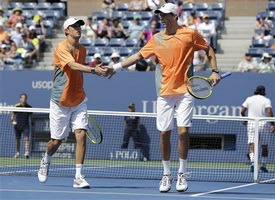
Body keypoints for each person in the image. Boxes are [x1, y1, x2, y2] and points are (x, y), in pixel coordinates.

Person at [104, 3, 220, 193]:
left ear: (175, 16)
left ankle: (182, 172)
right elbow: (138, 55)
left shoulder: (190, 34)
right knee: (164, 134)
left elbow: (208, 49)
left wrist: (215, 71)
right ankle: (167, 174)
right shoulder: (156, 39)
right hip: (165, 93)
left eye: (166, 15)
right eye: (160, 15)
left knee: (183, 132)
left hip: (185, 90)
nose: (162, 18)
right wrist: (115, 68)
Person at [37, 17, 108, 189]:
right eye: (74, 26)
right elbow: (72, 66)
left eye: (79, 26)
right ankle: (46, 159)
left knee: (81, 135)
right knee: (57, 141)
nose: (78, 29)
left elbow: (78, 68)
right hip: (60, 100)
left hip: (79, 99)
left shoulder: (82, 49)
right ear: (66, 31)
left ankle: (78, 176)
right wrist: (93, 70)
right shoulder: (61, 47)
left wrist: (95, 68)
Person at [241, 85, 275, 173]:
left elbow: (242, 111)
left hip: (252, 123)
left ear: (256, 91)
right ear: (264, 92)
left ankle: (253, 163)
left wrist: (245, 120)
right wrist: (273, 124)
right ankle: (263, 166)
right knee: (264, 146)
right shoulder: (266, 100)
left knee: (252, 144)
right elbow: (269, 112)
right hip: (263, 123)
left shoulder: (249, 99)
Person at [11, 93, 32, 159]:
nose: (23, 99)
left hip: (26, 125)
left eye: (25, 98)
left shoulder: (29, 107)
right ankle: (17, 153)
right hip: (17, 125)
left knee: (26, 138)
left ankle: (26, 153)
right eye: (22, 98)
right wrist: (13, 120)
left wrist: (33, 123)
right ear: (20, 99)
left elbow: (31, 116)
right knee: (17, 139)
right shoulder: (17, 106)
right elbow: (13, 115)